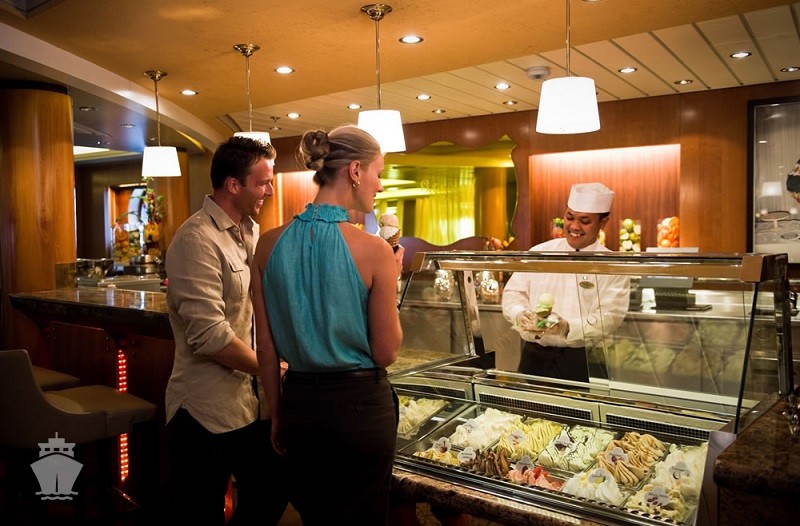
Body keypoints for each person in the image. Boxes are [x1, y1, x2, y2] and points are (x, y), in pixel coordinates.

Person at [251, 124, 404, 525]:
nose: (380, 185)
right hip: (360, 411)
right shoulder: (375, 250)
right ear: (355, 170)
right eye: (378, 173)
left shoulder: (267, 244)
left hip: (300, 407)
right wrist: (392, 278)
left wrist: (278, 414)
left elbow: (265, 347)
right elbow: (387, 351)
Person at [163, 136, 289, 525]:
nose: (270, 191)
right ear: (233, 184)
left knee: (272, 491)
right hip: (205, 410)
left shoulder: (250, 231)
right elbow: (211, 338)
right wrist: (273, 370)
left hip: (248, 404)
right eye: (263, 183)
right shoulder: (195, 239)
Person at [502, 182, 630, 382]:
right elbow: (513, 293)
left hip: (583, 361)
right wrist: (520, 314)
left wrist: (566, 327)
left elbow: (611, 316)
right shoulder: (540, 253)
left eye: (585, 221)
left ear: (603, 222)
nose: (574, 226)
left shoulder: (612, 265)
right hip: (534, 356)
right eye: (569, 217)